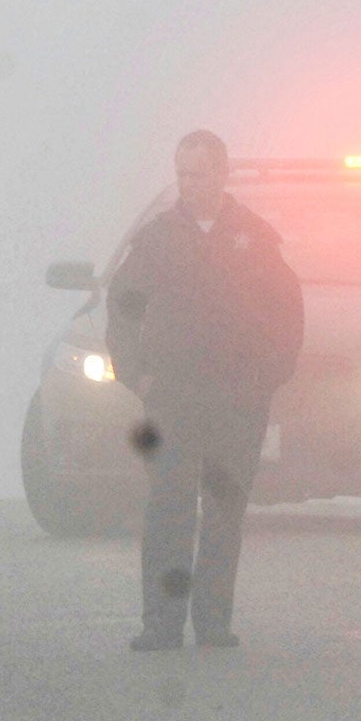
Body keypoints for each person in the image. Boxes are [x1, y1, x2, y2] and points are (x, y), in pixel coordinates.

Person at [106, 132, 304, 651]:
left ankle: (214, 624)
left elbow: (288, 317)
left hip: (238, 401)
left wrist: (264, 380)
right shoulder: (157, 237)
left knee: (223, 514)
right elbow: (122, 305)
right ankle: (161, 625)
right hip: (171, 399)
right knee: (168, 508)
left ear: (222, 173)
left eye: (196, 173)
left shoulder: (256, 238)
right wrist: (135, 372)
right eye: (180, 174)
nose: (186, 184)